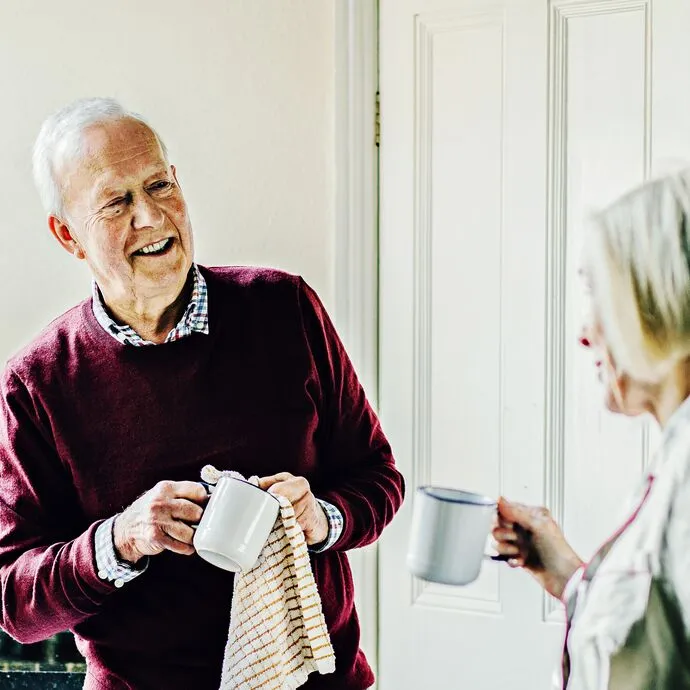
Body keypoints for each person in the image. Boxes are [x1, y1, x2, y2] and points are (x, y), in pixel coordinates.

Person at [0, 97, 404, 690]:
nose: (151, 216)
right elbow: (14, 600)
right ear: (68, 236)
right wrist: (123, 538)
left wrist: (318, 518)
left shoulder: (285, 308)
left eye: (160, 184)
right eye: (116, 202)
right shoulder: (37, 383)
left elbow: (378, 475)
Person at [493, 170, 690, 689]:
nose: (584, 333)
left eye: (598, 296)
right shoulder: (674, 455)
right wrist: (568, 576)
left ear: (656, 301)